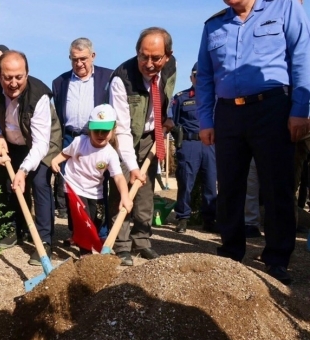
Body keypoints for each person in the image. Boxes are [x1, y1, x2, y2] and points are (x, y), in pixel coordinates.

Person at [196, 0, 310, 285]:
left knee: (276, 185)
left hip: (272, 107)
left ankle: (277, 259)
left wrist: (300, 110)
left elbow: (302, 58)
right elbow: (206, 76)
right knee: (230, 185)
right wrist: (206, 121)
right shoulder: (214, 24)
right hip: (227, 112)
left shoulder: (284, 8)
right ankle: (231, 252)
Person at [0, 50, 62, 266]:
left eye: (19, 77)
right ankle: (13, 228)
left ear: (27, 74)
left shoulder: (39, 97)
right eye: (8, 77)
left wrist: (23, 170)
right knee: (6, 183)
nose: (13, 83)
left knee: (39, 183)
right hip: (9, 139)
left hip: (41, 141)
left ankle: (44, 240)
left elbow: (40, 144)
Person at [108, 27, 176, 266]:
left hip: (151, 134)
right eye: (143, 56)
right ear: (137, 53)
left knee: (146, 193)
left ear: (167, 56)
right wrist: (131, 165)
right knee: (123, 188)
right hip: (124, 137)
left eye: (155, 58)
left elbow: (164, 94)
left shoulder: (170, 67)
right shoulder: (121, 79)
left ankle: (142, 240)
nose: (148, 63)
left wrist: (164, 119)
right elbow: (123, 129)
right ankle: (121, 245)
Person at [50, 104, 133, 256]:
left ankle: (81, 239)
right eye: (96, 130)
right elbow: (65, 154)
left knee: (97, 220)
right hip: (75, 187)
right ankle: (85, 254)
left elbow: (119, 177)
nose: (100, 134)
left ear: (113, 130)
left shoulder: (110, 153)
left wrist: (125, 196)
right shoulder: (79, 142)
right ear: (89, 129)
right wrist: (55, 161)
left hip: (95, 191)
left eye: (105, 131)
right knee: (84, 222)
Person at [52, 37, 114, 236]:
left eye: (83, 59)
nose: (79, 63)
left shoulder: (108, 78)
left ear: (93, 56)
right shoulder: (59, 82)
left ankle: (100, 231)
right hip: (71, 139)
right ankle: (77, 231)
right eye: (74, 59)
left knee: (99, 184)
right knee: (71, 186)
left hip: (97, 139)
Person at [168, 62, 217, 234]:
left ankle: (209, 219)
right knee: (185, 183)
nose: (200, 79)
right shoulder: (181, 98)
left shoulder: (216, 97)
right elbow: (171, 122)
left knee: (211, 183)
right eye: (197, 76)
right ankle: (182, 218)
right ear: (191, 78)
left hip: (210, 145)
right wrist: (179, 141)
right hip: (189, 144)